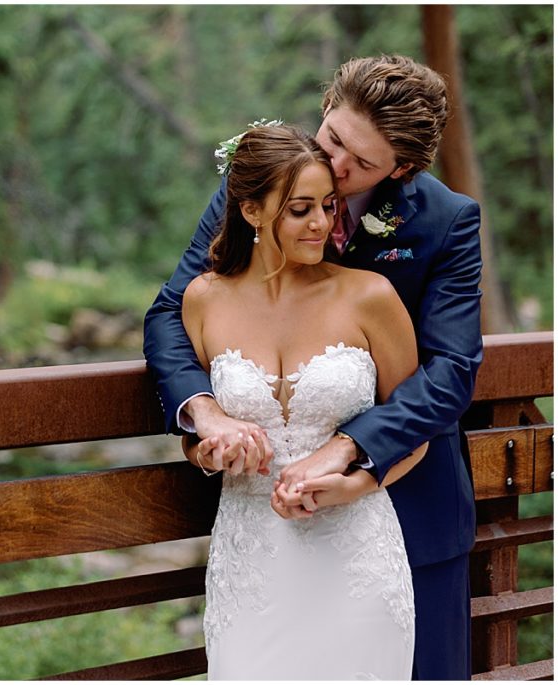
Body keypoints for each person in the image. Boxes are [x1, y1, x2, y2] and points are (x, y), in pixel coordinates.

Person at [144, 55, 481, 680]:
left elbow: (451, 371)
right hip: (263, 539)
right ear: (327, 109)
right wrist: (204, 410)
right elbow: (174, 309)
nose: (336, 167)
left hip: (407, 509)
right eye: (333, 140)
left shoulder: (445, 222)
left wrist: (351, 450)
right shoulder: (258, 188)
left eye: (362, 164)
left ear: (401, 170)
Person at [180, 122, 426, 679]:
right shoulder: (203, 301)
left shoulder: (369, 296)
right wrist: (212, 453)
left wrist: (357, 482)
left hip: (357, 557)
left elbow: (417, 430)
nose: (323, 223)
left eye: (328, 204)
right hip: (249, 567)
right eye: (300, 209)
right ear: (251, 212)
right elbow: (192, 443)